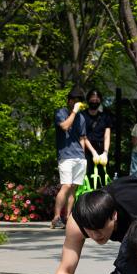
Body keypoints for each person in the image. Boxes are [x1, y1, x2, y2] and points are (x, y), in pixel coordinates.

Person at [51, 88, 87, 229]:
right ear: (69, 100)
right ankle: (56, 217)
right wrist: (74, 112)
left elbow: (82, 138)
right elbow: (65, 126)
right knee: (65, 186)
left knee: (73, 189)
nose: (77, 103)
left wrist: (83, 156)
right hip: (65, 156)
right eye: (75, 100)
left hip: (79, 157)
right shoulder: (61, 112)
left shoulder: (82, 118)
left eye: (79, 101)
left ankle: (68, 217)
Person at [82, 89, 112, 186]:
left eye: (97, 99)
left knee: (103, 177)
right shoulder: (82, 116)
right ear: (88, 100)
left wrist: (105, 152)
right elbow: (83, 136)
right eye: (92, 99)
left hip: (102, 150)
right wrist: (93, 152)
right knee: (88, 177)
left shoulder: (105, 116)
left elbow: (107, 135)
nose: (94, 101)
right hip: (87, 151)